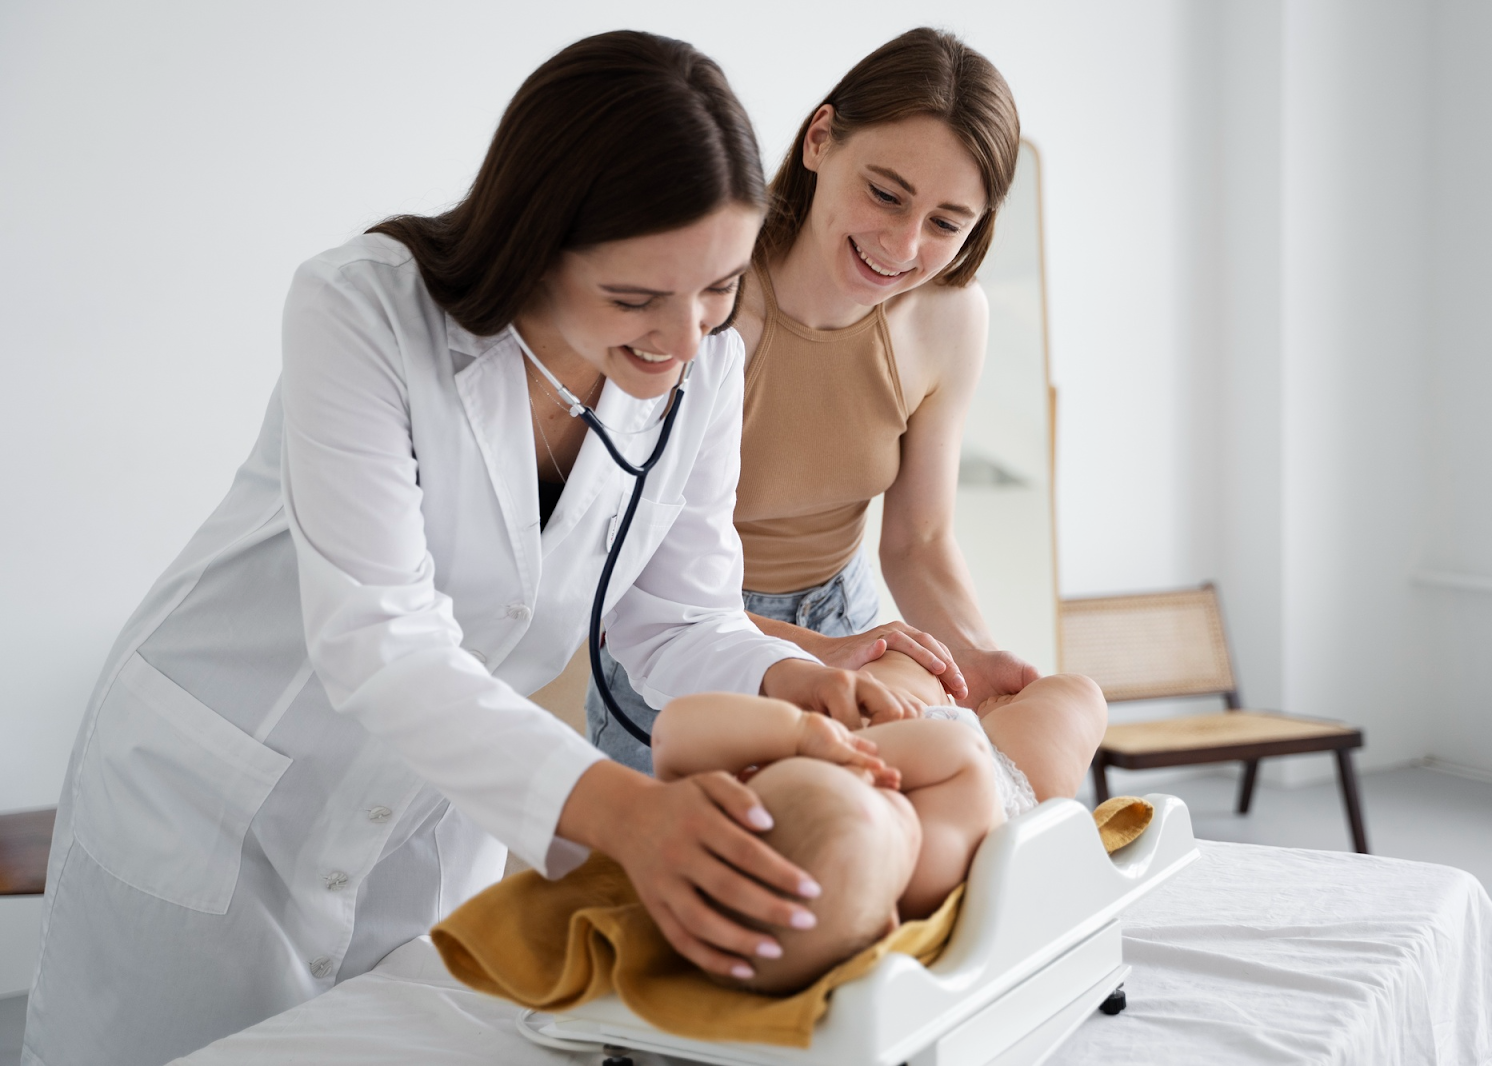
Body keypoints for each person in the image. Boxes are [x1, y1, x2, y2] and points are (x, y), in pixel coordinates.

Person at [24, 32, 912, 1066]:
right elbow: (382, 638)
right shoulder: (362, 309)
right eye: (634, 298)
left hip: (429, 820)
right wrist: (623, 811)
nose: (681, 339)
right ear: (539, 236)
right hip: (215, 798)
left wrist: (799, 678)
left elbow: (676, 617)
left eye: (718, 287)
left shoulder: (705, 369)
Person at [590, 28, 1095, 771]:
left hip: (846, 621)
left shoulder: (950, 317)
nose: (902, 244)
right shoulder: (708, 304)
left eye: (946, 224)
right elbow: (644, 586)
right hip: (688, 638)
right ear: (821, 140)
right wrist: (812, 654)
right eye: (885, 194)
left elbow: (918, 541)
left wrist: (973, 654)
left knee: (883, 849)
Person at [649, 654, 1108, 993]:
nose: (877, 782)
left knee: (899, 663)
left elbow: (671, 735)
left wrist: (797, 736)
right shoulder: (926, 874)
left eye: (846, 784)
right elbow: (963, 754)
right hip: (995, 778)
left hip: (881, 735)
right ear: (889, 929)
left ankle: (908, 694)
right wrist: (861, 748)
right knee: (1078, 696)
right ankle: (1000, 707)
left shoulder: (750, 795)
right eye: (889, 805)